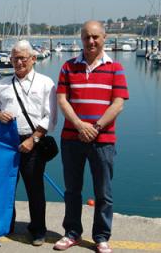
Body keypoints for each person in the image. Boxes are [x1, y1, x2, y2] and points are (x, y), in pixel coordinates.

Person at [54, 21, 129, 253]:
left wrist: (94, 128)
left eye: (95, 37)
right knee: (72, 190)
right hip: (71, 138)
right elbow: (62, 100)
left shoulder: (115, 68)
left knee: (103, 192)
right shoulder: (68, 67)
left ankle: (101, 237)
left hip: (103, 141)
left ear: (104, 38)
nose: (91, 41)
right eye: (87, 37)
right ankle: (72, 233)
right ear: (81, 39)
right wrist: (79, 125)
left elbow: (117, 104)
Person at [0, 40, 57, 246]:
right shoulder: (2, 84)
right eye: (15, 58)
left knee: (34, 187)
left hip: (33, 140)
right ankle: (6, 224)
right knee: (6, 185)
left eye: (22, 58)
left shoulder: (46, 83)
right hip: (7, 142)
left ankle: (38, 229)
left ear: (33, 59)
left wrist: (33, 139)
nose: (18, 62)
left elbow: (50, 117)